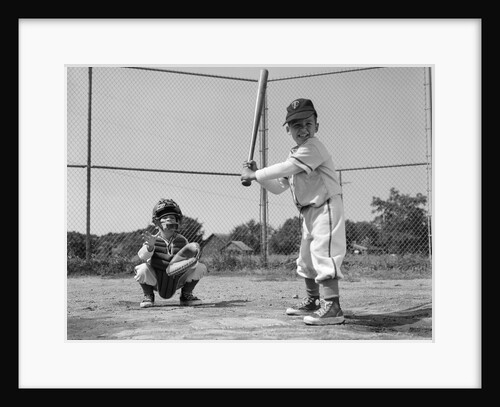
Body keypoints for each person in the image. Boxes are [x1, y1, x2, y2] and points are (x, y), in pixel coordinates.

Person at [241, 98, 347, 326]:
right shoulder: (295, 155)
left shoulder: (314, 147)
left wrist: (255, 175)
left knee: (324, 254)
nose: (304, 129)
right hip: (308, 213)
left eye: (308, 123)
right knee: (306, 259)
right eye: (297, 125)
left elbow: (287, 168)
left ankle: (333, 307)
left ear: (317, 126)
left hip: (326, 206)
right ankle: (313, 301)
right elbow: (279, 187)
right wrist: (258, 174)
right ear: (288, 129)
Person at [133, 198, 207, 308]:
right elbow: (142, 256)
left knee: (200, 267)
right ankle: (148, 295)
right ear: (157, 222)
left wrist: (193, 259)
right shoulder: (152, 239)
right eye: (165, 217)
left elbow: (188, 259)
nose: (170, 220)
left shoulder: (182, 240)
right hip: (156, 280)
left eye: (172, 217)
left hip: (177, 280)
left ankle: (186, 295)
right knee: (142, 268)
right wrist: (150, 246)